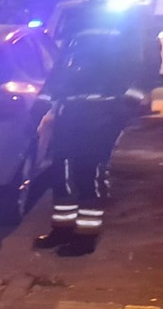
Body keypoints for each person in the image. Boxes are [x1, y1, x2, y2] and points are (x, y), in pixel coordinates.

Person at [33, 28, 149, 256]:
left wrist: (118, 112)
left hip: (100, 120)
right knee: (62, 175)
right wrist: (40, 106)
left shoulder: (119, 52)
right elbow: (54, 82)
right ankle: (62, 230)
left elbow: (136, 88)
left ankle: (86, 237)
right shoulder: (73, 51)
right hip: (70, 117)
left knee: (89, 175)